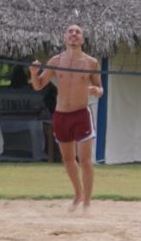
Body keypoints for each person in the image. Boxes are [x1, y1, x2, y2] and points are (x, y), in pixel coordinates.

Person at [30, 24, 103, 212]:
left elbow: (100, 89)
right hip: (61, 115)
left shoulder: (91, 62)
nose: (74, 34)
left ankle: (87, 201)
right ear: (65, 38)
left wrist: (97, 90)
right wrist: (33, 73)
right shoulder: (56, 60)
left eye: (77, 32)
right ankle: (78, 194)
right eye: (70, 32)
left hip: (81, 114)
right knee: (68, 159)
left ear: (82, 39)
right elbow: (38, 86)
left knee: (85, 160)